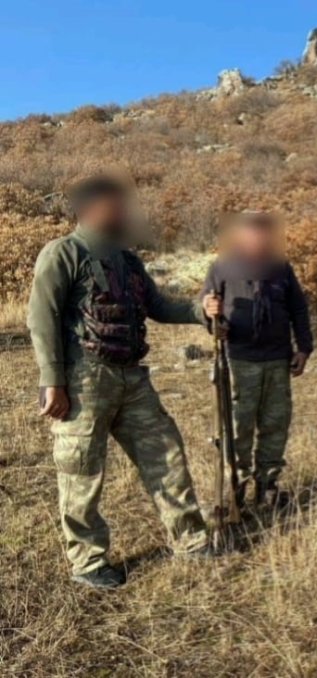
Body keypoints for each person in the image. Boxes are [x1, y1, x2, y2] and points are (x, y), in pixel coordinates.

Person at [26, 174, 211, 589]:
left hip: (133, 378)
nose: (125, 212)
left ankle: (191, 541)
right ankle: (89, 562)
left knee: (166, 455)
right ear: (93, 209)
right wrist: (53, 381)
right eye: (117, 205)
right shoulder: (63, 252)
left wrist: (201, 312)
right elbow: (41, 317)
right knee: (81, 470)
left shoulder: (128, 260)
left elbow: (158, 306)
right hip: (84, 380)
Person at [200, 211, 313, 508]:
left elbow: (298, 309)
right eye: (252, 231)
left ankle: (267, 486)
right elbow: (206, 307)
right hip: (240, 360)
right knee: (238, 427)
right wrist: (209, 313)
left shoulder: (281, 268)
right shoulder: (222, 267)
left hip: (277, 360)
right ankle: (235, 488)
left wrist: (304, 348)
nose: (258, 238)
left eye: (263, 232)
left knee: (275, 424)